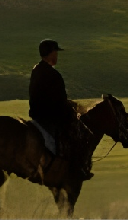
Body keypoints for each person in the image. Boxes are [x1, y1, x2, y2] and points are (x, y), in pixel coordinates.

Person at [28, 39, 93, 180]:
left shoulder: (36, 70)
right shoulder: (53, 75)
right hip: (49, 116)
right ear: (51, 53)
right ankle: (74, 170)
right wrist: (73, 110)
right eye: (55, 52)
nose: (57, 56)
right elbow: (60, 101)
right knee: (74, 136)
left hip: (37, 115)